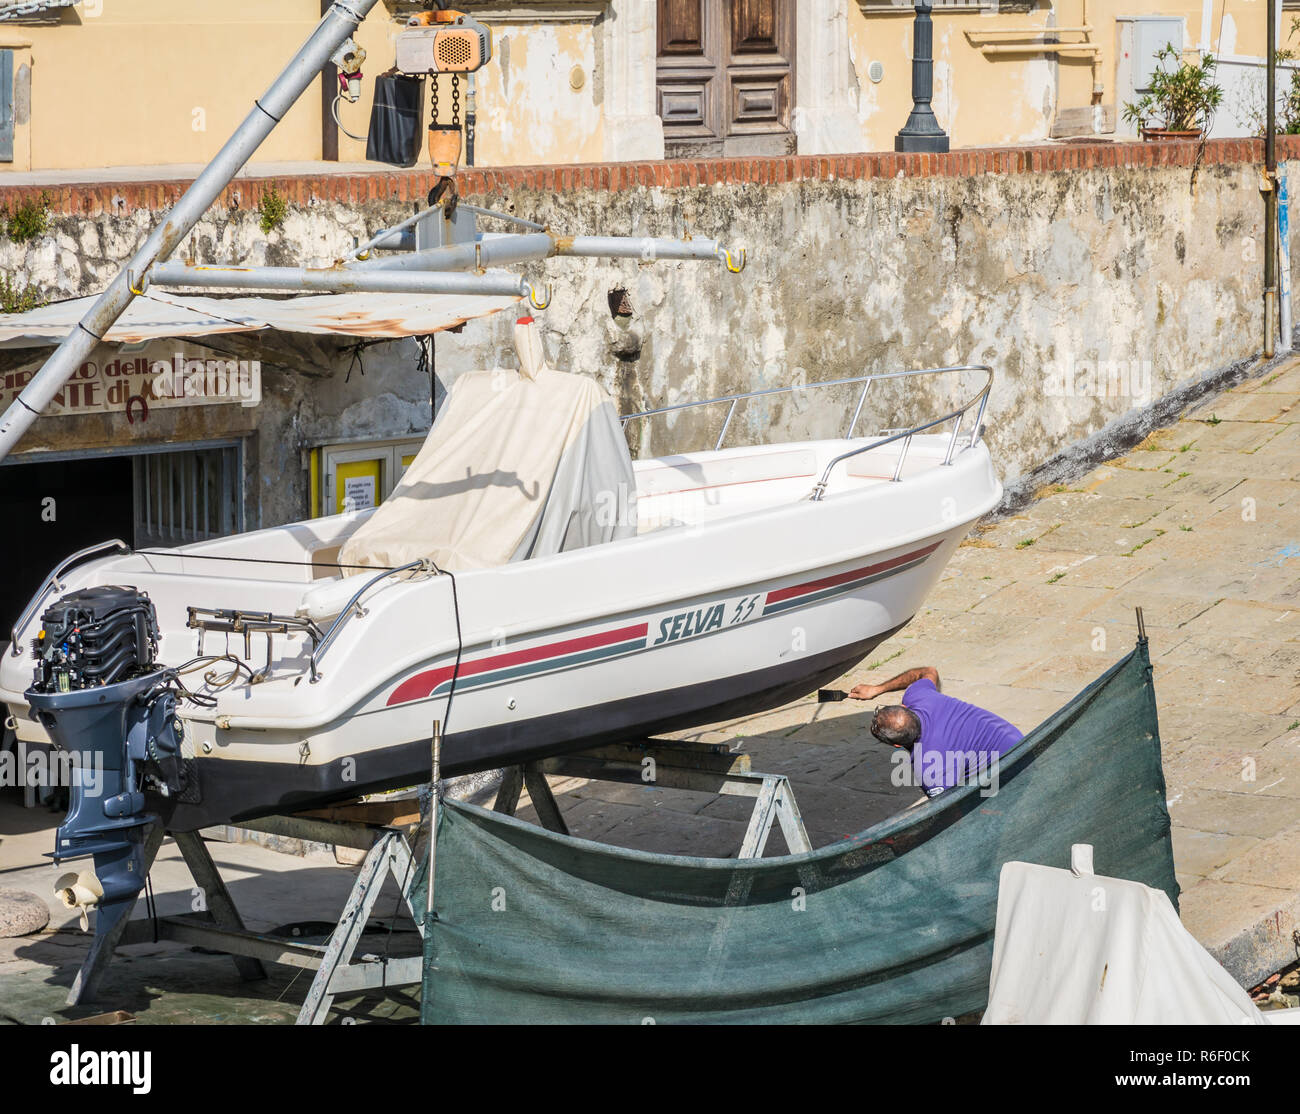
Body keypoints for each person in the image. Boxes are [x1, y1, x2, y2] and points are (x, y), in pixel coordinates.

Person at [849, 666, 1023, 801]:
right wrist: (877, 689)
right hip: (1021, 742)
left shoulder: (929, 768)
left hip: (1009, 777)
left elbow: (950, 811)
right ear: (905, 707)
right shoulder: (920, 696)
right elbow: (928, 672)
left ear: (896, 745)